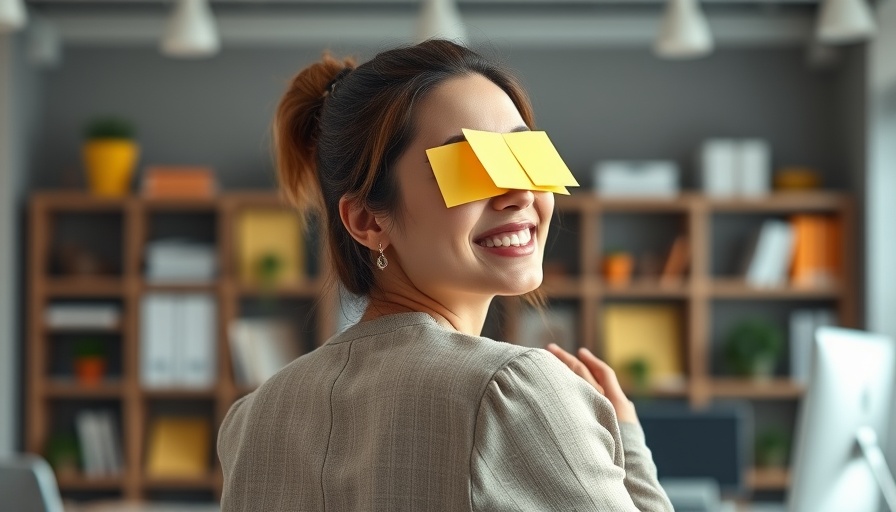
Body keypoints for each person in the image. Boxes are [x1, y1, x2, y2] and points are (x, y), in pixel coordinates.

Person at [218, 39, 674, 511]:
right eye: (471, 167)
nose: (518, 192)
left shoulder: (252, 419)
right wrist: (629, 445)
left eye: (525, 157)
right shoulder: (512, 391)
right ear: (368, 221)